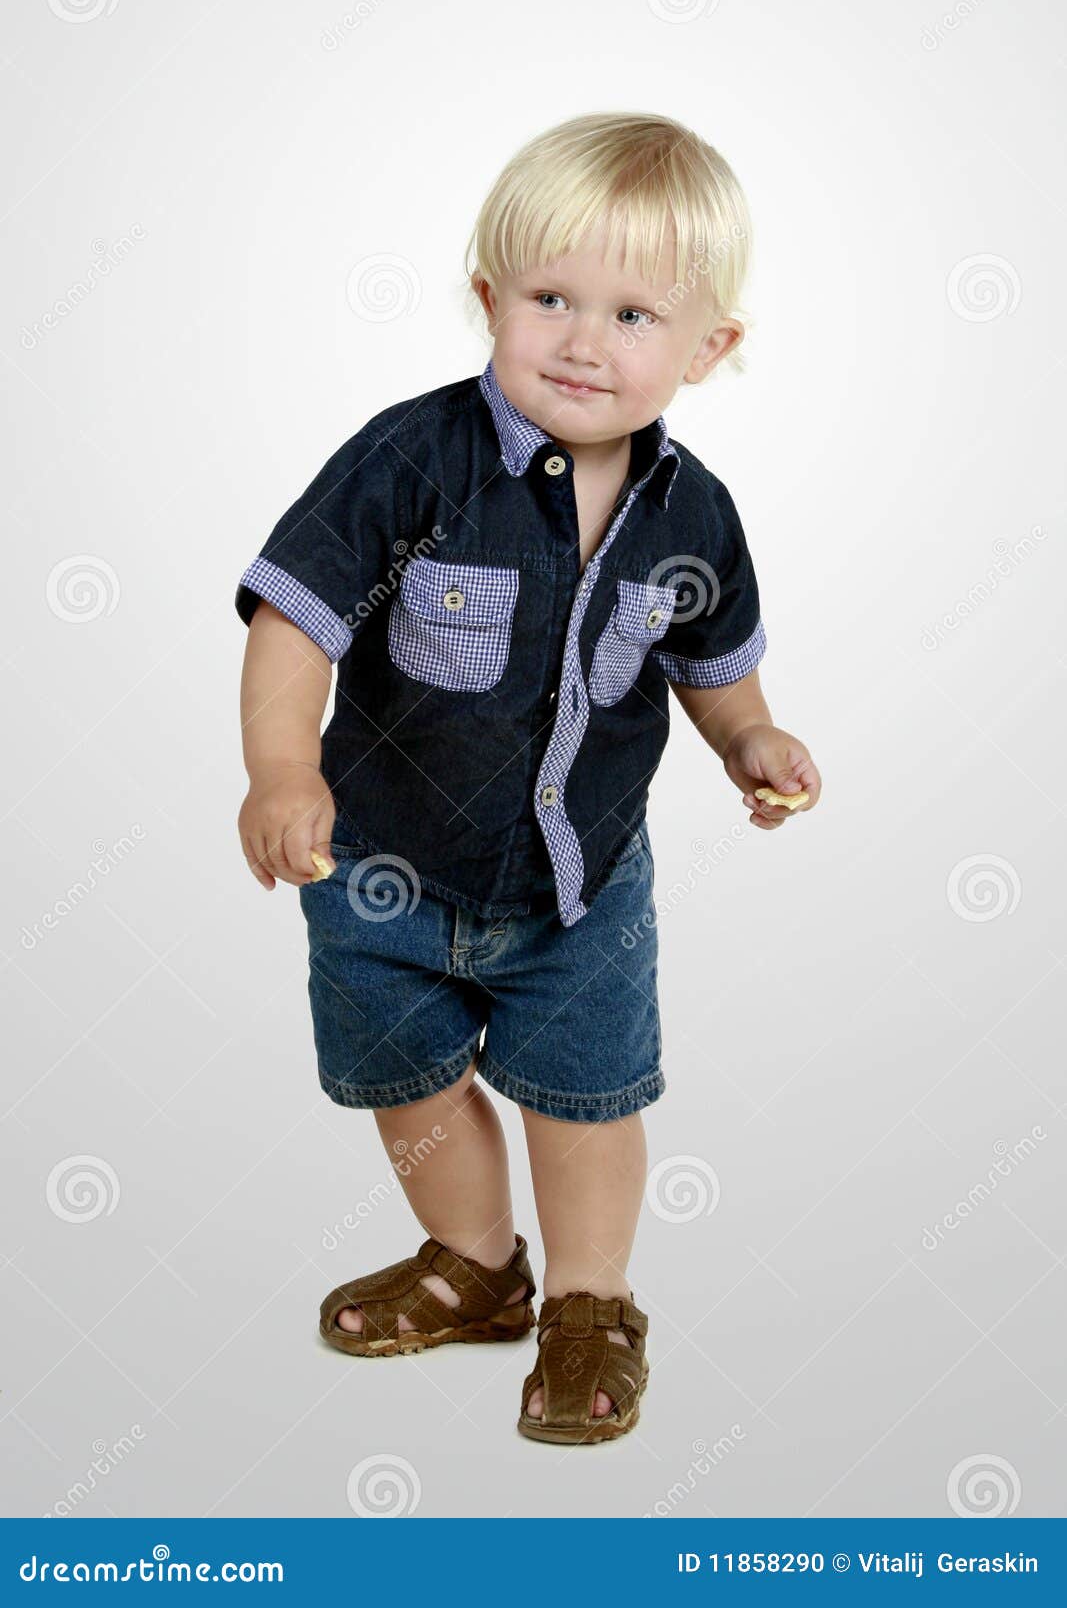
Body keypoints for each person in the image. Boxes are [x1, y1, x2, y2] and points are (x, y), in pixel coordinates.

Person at [234, 111, 822, 1445]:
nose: (582, 340)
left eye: (632, 314)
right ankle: (476, 1266)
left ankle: (589, 1303)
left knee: (583, 1099)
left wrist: (753, 743)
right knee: (408, 1082)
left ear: (708, 348)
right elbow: (297, 619)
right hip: (379, 868)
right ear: (490, 297)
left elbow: (712, 665)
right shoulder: (411, 460)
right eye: (551, 298)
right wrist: (280, 766)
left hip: (583, 888)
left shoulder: (696, 516)